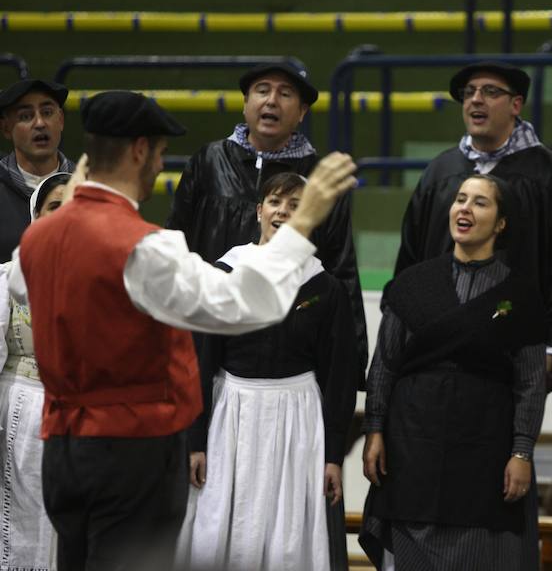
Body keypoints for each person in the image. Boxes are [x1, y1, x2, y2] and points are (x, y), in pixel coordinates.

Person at [8, 90, 357, 571]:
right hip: (130, 454)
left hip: (62, 449)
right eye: (157, 152)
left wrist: (76, 205)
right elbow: (243, 304)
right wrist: (303, 224)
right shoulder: (147, 248)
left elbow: (22, 289)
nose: (159, 165)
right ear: (138, 151)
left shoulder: (37, 240)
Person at [360, 174, 547, 571]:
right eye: (460, 199)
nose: (464, 208)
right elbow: (385, 363)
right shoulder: (412, 284)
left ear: (501, 223)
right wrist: (374, 429)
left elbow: (531, 382)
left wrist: (522, 451)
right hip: (412, 446)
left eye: (480, 203)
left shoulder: (521, 295)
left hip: (486, 450)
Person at [182, 172, 357, 571]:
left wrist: (333, 456)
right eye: (276, 202)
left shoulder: (325, 288)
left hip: (298, 419)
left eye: (296, 205)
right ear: (259, 210)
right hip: (230, 416)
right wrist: (196, 441)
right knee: (219, 529)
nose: (283, 211)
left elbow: (340, 378)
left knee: (288, 535)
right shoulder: (225, 273)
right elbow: (200, 361)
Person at [167, 62, 368, 383]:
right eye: (262, 91)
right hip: (211, 334)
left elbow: (340, 266)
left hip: (290, 348)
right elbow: (178, 246)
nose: (271, 101)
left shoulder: (319, 179)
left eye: (285, 94)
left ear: (302, 112)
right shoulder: (208, 162)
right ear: (246, 103)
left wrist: (352, 361)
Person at [393, 62, 552, 392]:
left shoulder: (549, 174)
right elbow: (411, 254)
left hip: (513, 342)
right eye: (469, 93)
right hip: (434, 341)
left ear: (516, 105)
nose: (476, 100)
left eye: (490, 92)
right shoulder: (440, 171)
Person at [0, 170, 71, 570]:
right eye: (54, 207)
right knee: (23, 525)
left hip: (79, 419)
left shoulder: (103, 283)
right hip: (20, 412)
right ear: (36, 215)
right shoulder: (8, 278)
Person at [0, 79, 75, 262]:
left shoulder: (86, 186)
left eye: (47, 113)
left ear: (61, 120)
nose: (40, 123)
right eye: (26, 116)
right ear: (6, 128)